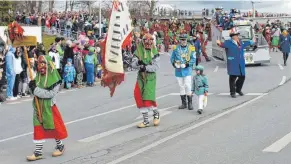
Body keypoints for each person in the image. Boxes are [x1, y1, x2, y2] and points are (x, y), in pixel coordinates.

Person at [27, 55, 67, 161]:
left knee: (53, 128)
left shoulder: (55, 79)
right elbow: (34, 93)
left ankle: (60, 146)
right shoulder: (38, 76)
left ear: (49, 65)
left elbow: (50, 94)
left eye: (43, 63)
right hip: (38, 107)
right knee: (38, 128)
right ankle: (38, 152)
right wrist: (31, 87)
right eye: (39, 64)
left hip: (49, 107)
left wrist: (35, 90)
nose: (41, 66)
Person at [131, 33, 160, 128]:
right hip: (140, 78)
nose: (148, 44)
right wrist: (138, 63)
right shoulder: (138, 50)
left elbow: (156, 67)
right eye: (146, 42)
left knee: (148, 98)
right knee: (138, 96)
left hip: (150, 78)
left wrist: (146, 67)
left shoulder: (154, 52)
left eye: (150, 42)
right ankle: (146, 121)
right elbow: (133, 65)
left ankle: (156, 114)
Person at [216, 27, 255, 98]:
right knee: (232, 78)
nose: (237, 36)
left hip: (240, 62)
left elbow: (245, 43)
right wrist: (218, 43)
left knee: (242, 77)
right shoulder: (228, 42)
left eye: (237, 35)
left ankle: (238, 89)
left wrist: (251, 42)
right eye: (236, 35)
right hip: (233, 62)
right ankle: (232, 92)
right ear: (232, 36)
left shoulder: (240, 42)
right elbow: (221, 44)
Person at [170, 33, 196, 110]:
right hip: (178, 71)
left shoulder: (191, 48)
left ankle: (190, 103)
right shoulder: (176, 48)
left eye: (184, 39)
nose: (183, 41)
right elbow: (172, 58)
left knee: (188, 85)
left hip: (187, 70)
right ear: (179, 40)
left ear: (186, 40)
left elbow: (193, 58)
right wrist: (174, 64)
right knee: (181, 86)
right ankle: (183, 103)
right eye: (181, 39)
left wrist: (188, 64)